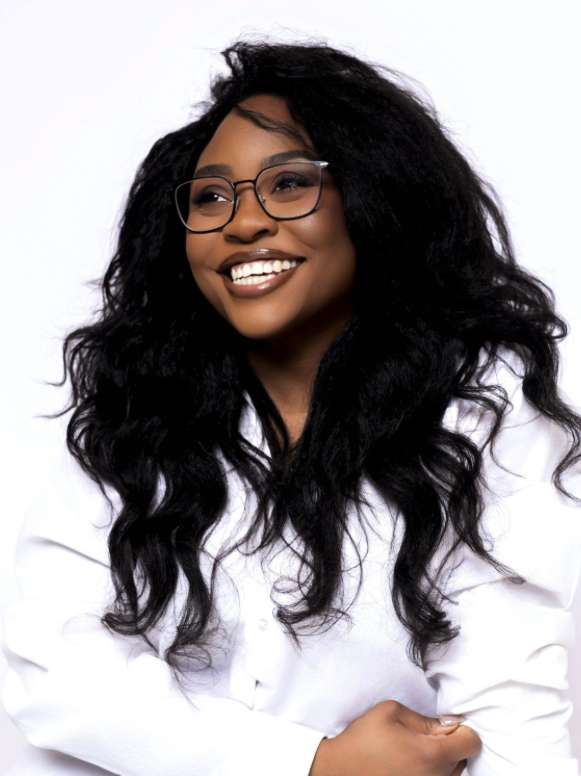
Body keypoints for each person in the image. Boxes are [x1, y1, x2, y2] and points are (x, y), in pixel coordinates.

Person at [2, 38, 581, 776]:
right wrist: (313, 763)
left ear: (372, 199)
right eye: (211, 196)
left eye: (287, 184)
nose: (241, 223)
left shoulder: (478, 416)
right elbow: (58, 676)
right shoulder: (135, 412)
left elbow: (504, 725)